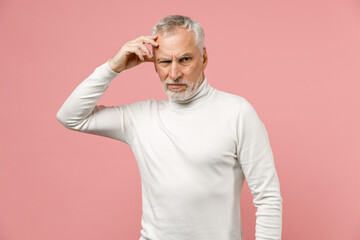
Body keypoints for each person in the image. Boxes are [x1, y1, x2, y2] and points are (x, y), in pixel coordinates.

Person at [57, 15, 283, 240]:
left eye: (185, 60)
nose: (174, 74)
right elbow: (71, 116)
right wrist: (113, 67)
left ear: (203, 58)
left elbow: (268, 198)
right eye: (164, 62)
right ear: (153, 64)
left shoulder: (237, 112)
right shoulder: (140, 118)